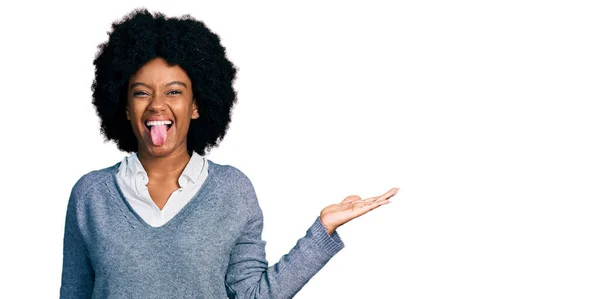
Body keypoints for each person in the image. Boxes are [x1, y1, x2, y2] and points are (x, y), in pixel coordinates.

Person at [60, 8, 399, 299]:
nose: (157, 105)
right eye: (141, 92)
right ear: (124, 107)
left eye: (174, 91)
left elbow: (253, 295)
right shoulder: (91, 195)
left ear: (196, 105)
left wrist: (322, 230)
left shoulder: (232, 190)